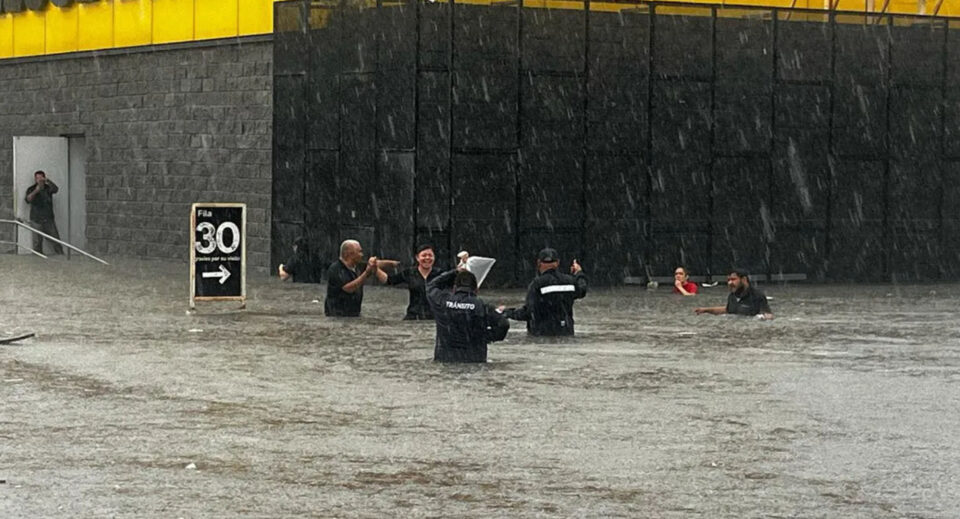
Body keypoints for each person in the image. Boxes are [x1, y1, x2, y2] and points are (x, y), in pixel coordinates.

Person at [426, 268, 509, 363]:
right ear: (476, 290)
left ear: (454, 289)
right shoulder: (482, 306)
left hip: (445, 360)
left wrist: (454, 272)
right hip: (475, 361)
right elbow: (503, 324)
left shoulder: (442, 301)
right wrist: (485, 337)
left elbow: (430, 286)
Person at [501, 248, 588, 336]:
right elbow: (582, 290)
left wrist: (507, 312)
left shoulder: (537, 284)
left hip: (542, 334)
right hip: (566, 332)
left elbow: (529, 313)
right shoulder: (570, 281)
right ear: (558, 262)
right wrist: (579, 273)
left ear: (539, 263)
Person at [375, 243, 441, 320]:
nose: (427, 258)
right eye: (424, 255)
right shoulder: (410, 273)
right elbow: (389, 280)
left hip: (434, 317)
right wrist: (374, 269)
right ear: (417, 258)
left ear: (434, 257)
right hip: (413, 316)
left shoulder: (440, 274)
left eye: (430, 255)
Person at [324, 239, 378, 317]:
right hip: (337, 315)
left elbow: (376, 265)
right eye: (359, 252)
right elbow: (348, 288)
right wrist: (366, 273)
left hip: (353, 314)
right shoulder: (335, 269)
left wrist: (392, 263)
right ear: (348, 254)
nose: (362, 255)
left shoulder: (356, 266)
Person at [694, 269, 774, 320]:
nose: (730, 283)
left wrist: (761, 319)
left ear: (744, 280)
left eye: (733, 279)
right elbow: (727, 310)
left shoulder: (757, 296)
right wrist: (706, 310)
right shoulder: (732, 296)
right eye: (728, 280)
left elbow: (769, 315)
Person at [24, 170, 63, 255]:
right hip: (36, 219)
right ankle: (38, 261)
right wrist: (36, 191)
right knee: (37, 243)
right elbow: (28, 200)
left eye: (41, 178)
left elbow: (56, 189)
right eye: (37, 178)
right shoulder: (31, 189)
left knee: (55, 240)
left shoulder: (48, 188)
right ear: (35, 179)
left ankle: (61, 256)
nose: (39, 180)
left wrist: (47, 180)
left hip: (48, 219)